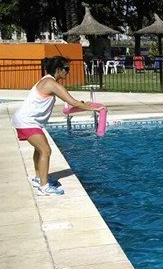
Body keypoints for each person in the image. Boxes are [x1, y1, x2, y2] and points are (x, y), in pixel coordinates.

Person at [12, 56, 105, 196]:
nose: (68, 72)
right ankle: (44, 187)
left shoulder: (47, 81)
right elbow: (73, 103)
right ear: (58, 69)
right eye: (66, 69)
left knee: (39, 149)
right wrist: (96, 108)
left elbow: (73, 103)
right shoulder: (51, 84)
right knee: (46, 151)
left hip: (27, 120)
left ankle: (38, 178)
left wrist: (84, 105)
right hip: (27, 121)